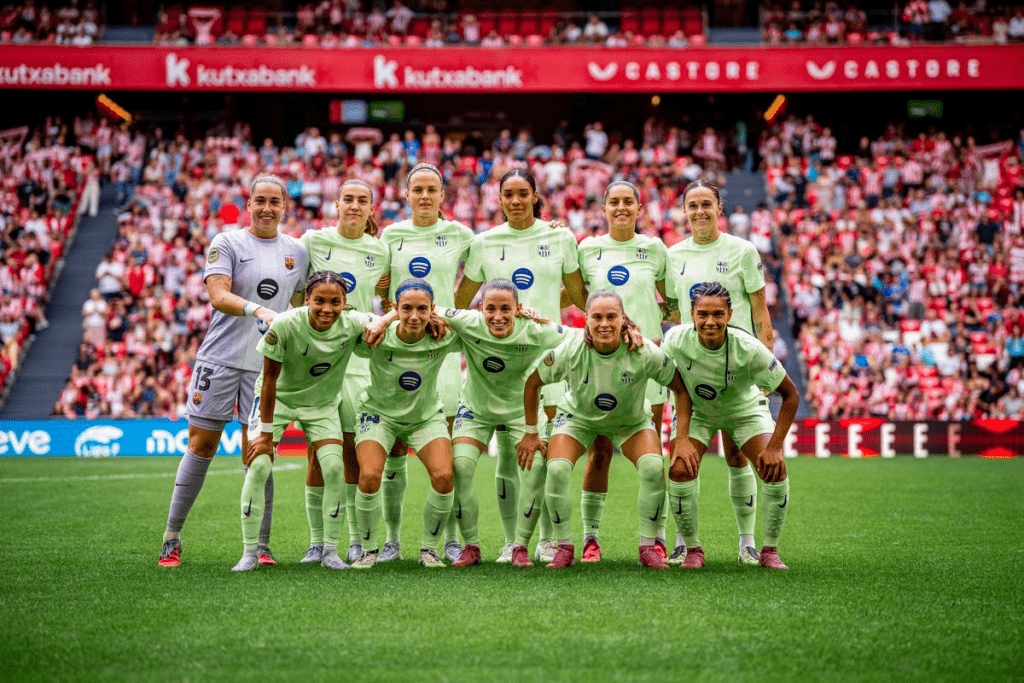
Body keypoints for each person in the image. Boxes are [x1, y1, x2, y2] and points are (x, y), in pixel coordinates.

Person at [158, 174, 309, 567]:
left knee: (258, 452)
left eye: (275, 202)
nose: (267, 208)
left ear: (284, 207)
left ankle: (261, 547)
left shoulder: (297, 251)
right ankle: (171, 537)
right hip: (221, 360)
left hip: (264, 369)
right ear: (248, 203)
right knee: (201, 445)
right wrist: (257, 309)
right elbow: (218, 295)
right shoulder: (226, 242)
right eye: (260, 200)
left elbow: (297, 306)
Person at [456, 169, 587, 563]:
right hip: (498, 364)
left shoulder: (560, 237)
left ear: (535, 196)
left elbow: (578, 294)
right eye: (508, 194)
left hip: (548, 359)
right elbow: (462, 299)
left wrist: (548, 313)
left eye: (523, 193)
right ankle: (512, 541)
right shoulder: (484, 243)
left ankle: (546, 539)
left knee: (541, 455)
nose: (515, 200)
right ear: (499, 199)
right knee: (509, 458)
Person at [517, 290, 689, 568]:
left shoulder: (643, 350)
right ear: (586, 320)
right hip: (577, 419)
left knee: (653, 467)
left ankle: (648, 547)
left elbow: (680, 390)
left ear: (624, 320)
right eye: (597, 317)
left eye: (612, 316)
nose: (604, 324)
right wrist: (530, 432)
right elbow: (533, 383)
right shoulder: (571, 348)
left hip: (630, 422)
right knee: (557, 468)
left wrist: (682, 438)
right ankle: (565, 547)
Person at [233, 272, 378, 571]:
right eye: (320, 301)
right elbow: (269, 380)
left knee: (335, 468)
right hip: (280, 399)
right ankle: (249, 552)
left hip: (322, 404)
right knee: (259, 465)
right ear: (307, 299)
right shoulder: (285, 324)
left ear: (345, 303)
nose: (327, 309)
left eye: (335, 302)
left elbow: (386, 319)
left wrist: (387, 321)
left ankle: (330, 551)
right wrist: (265, 433)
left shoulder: (352, 322)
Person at [664, 179, 775, 566]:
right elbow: (675, 314)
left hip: (739, 371)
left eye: (705, 204)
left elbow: (761, 313)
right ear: (684, 211)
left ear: (719, 208)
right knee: (682, 460)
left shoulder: (743, 251)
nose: (699, 212)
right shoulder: (672, 255)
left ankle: (747, 543)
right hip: (692, 374)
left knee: (737, 457)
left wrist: (765, 372)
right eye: (691, 205)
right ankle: (683, 541)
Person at [374, 163, 474, 563]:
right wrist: (400, 319)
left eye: (433, 189)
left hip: (443, 352)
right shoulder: (392, 234)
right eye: (418, 189)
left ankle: (449, 539)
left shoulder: (460, 234)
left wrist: (448, 314)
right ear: (407, 194)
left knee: (444, 445)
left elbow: (487, 269)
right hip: (401, 348)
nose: (425, 196)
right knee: (397, 446)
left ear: (443, 195)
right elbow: (382, 288)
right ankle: (392, 540)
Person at [662, 282, 798, 570]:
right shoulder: (674, 339)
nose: (710, 321)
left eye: (717, 314)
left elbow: (791, 395)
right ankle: (692, 549)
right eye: (702, 314)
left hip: (743, 409)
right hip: (697, 411)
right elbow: (674, 386)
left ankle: (769, 550)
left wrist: (774, 447)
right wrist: (682, 438)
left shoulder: (750, 348)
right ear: (692, 314)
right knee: (678, 467)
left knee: (774, 468)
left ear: (729, 314)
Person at [574, 180, 673, 563]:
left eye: (627, 201)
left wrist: (647, 330)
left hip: (646, 364)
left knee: (652, 454)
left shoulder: (654, 249)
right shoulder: (588, 248)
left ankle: (655, 540)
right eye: (613, 201)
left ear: (638, 208)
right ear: (603, 209)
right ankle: (590, 540)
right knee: (599, 451)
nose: (620, 207)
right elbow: (573, 293)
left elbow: (672, 300)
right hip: (601, 361)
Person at [441, 280, 570, 566]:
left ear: (519, 309)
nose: (497, 316)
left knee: (536, 468)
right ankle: (471, 546)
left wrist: (629, 330)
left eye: (505, 309)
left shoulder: (535, 330)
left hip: (521, 412)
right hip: (476, 410)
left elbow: (581, 335)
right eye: (490, 309)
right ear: (479, 309)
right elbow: (424, 309)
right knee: (459, 467)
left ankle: (519, 547)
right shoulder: (468, 322)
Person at [297, 179, 391, 565]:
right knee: (317, 454)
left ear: (372, 208)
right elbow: (295, 298)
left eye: (362, 200)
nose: (354, 205)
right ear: (336, 204)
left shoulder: (380, 250)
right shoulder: (312, 242)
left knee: (353, 451)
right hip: (319, 361)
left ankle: (355, 540)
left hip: (358, 365)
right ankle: (317, 542)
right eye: (348, 199)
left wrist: (380, 322)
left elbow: (390, 300)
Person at [350, 278, 458, 568]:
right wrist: (382, 320)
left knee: (444, 477)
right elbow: (344, 320)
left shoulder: (443, 334)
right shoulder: (375, 335)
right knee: (369, 476)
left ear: (432, 310)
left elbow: (481, 320)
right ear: (395, 308)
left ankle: (428, 550)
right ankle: (369, 551)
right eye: (406, 308)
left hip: (424, 418)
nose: (414, 316)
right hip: (378, 415)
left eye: (422, 309)